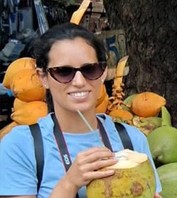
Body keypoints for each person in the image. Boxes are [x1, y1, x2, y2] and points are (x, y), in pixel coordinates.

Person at [0, 23, 161, 198]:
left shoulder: (132, 140)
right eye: (63, 71)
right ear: (43, 77)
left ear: (103, 73)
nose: (78, 81)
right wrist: (70, 183)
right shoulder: (21, 145)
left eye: (89, 69)